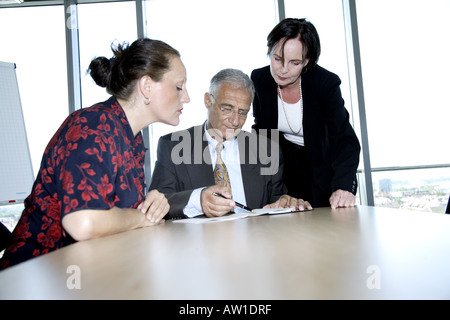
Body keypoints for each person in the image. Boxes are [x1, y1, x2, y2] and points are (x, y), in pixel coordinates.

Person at [0, 38, 190, 269]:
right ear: (147, 86)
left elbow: (117, 217)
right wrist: (141, 217)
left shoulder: (131, 137)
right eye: (179, 87)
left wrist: (150, 206)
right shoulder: (93, 125)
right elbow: (83, 222)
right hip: (34, 278)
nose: (186, 97)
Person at [149, 68, 311, 219]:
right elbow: (157, 203)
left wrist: (285, 202)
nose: (235, 121)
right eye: (227, 108)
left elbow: (276, 199)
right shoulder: (173, 145)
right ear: (208, 100)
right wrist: (198, 200)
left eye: (242, 112)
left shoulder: (267, 150)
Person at [251, 18, 361, 209]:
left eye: (294, 63)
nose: (283, 70)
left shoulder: (325, 83)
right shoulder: (260, 80)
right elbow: (262, 135)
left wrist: (343, 187)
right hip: (285, 172)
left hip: (323, 167)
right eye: (277, 59)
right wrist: (266, 186)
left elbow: (345, 140)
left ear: (307, 61)